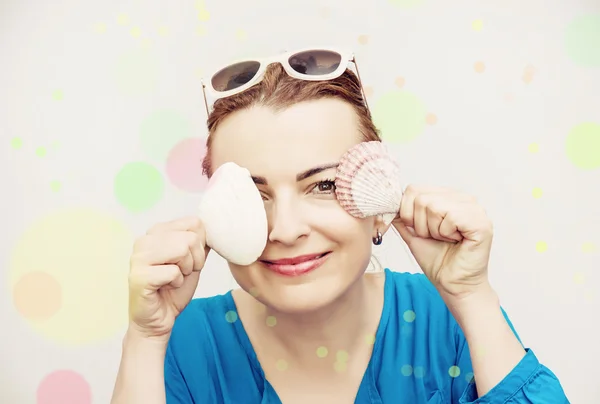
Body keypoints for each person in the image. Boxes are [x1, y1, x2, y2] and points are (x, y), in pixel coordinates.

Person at [110, 48, 569, 403]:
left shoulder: (446, 318)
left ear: (378, 196)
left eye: (324, 185)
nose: (286, 230)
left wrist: (473, 297)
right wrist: (144, 340)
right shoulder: (186, 342)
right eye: (254, 194)